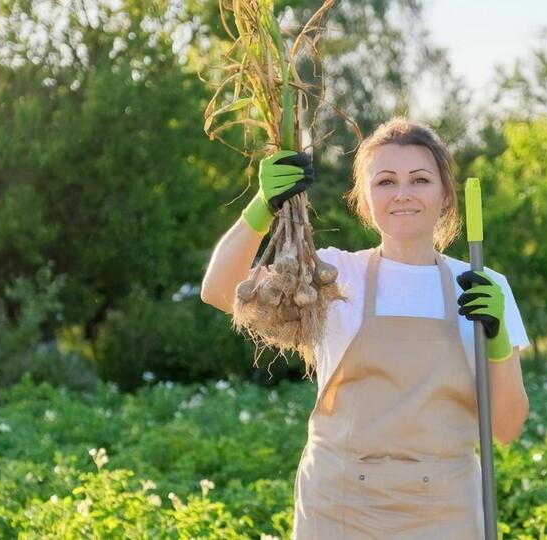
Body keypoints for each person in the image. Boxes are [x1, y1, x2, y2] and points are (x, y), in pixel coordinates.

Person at [200, 117, 530, 539]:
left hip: (446, 511)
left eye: (420, 180)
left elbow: (506, 427)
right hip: (340, 508)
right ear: (365, 198)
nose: (403, 194)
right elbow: (219, 290)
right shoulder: (334, 275)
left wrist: (498, 340)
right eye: (386, 181)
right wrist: (262, 205)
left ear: (446, 194)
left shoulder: (484, 287)